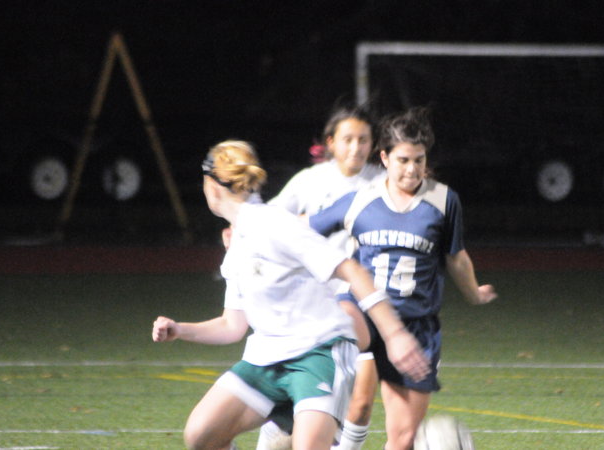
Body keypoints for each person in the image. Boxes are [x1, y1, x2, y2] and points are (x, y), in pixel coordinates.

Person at [152, 140, 430, 450]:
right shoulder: (238, 242)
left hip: (319, 352)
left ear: (213, 187)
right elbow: (232, 326)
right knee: (201, 434)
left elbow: (351, 270)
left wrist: (394, 335)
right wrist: (180, 330)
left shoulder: (274, 223)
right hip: (266, 359)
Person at [308, 107, 497, 450]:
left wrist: (474, 293)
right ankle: (293, 414)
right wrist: (247, 230)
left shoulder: (443, 201)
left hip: (415, 326)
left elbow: (456, 257)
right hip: (365, 314)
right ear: (384, 158)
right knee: (343, 350)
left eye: (419, 160)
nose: (412, 169)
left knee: (404, 439)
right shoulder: (360, 200)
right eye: (403, 160)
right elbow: (303, 230)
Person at [257, 103, 384, 450]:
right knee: (293, 397)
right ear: (331, 142)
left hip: (360, 305)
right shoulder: (310, 180)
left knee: (359, 400)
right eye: (348, 139)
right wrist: (239, 231)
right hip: (309, 307)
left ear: (373, 144)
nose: (355, 147)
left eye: (363, 139)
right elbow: (270, 219)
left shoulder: (382, 183)